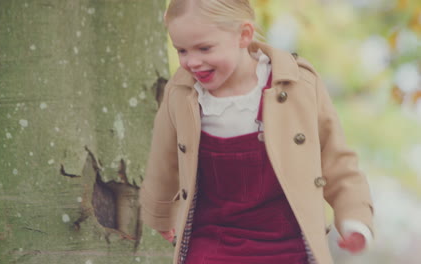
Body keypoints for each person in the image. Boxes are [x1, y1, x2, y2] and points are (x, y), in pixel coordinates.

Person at [139, 0, 374, 263]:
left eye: (204, 48)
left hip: (286, 244)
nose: (192, 62)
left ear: (244, 35)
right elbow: (164, 160)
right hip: (211, 242)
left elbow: (336, 159)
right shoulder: (182, 94)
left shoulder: (298, 84)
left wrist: (355, 218)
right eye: (181, 50)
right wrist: (160, 215)